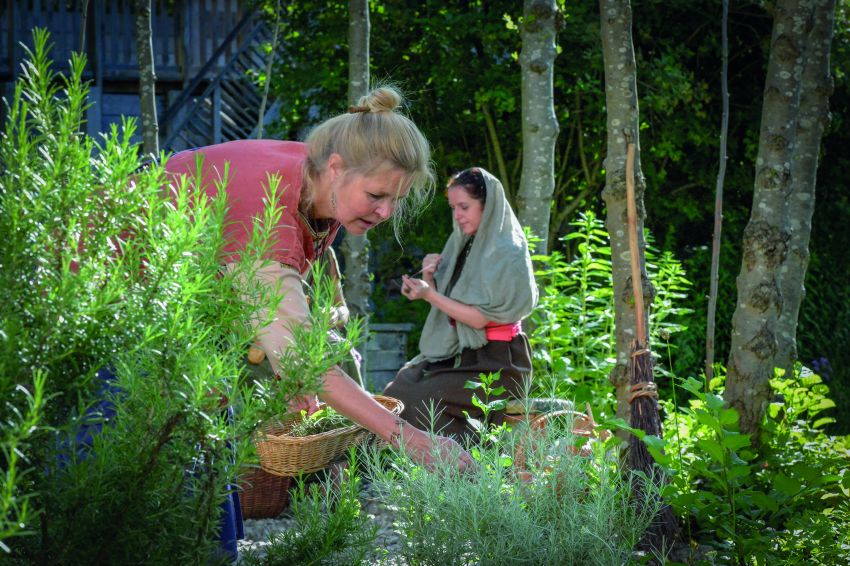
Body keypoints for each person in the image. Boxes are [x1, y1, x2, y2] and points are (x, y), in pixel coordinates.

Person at [163, 87, 474, 558]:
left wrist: (292, 371)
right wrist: (410, 439)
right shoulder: (263, 204)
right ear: (335, 169)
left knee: (208, 509)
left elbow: (279, 323)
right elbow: (302, 356)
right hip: (96, 316)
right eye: (376, 195)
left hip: (176, 341)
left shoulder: (313, 191)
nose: (386, 212)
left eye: (396, 199)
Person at [383, 167, 537, 439]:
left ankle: (464, 465)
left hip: (499, 362)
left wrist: (429, 294)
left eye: (464, 207)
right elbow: (450, 305)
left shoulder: (507, 252)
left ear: (487, 205)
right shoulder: (464, 246)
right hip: (463, 355)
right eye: (454, 208)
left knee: (421, 399)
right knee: (398, 391)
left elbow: (478, 319)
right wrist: (429, 280)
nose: (457, 215)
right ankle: (436, 466)